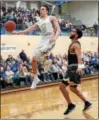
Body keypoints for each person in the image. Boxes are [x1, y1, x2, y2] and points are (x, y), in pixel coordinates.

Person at [11, 5, 61, 89]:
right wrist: (16, 32)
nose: (41, 10)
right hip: (42, 40)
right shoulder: (38, 22)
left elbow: (58, 29)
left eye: (43, 9)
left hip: (50, 39)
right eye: (40, 9)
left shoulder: (51, 18)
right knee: (33, 60)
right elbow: (27, 30)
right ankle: (35, 78)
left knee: (44, 50)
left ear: (47, 11)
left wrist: (55, 38)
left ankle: (46, 60)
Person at [59, 28, 92, 115]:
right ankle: (87, 103)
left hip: (73, 69)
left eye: (73, 31)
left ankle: (70, 105)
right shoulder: (73, 44)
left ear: (76, 35)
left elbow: (79, 56)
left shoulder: (76, 45)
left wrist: (80, 67)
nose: (71, 32)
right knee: (73, 88)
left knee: (62, 87)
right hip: (71, 68)